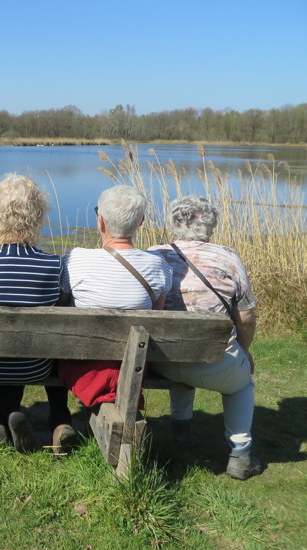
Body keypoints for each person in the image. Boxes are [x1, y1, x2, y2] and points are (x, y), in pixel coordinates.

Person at [148, 195, 261, 480]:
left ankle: (181, 428)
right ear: (211, 224)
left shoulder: (153, 254)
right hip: (215, 360)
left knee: (182, 351)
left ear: (174, 222)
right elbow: (246, 318)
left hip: (161, 359)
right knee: (240, 385)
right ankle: (240, 454)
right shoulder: (228, 256)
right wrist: (244, 352)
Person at [0, 173, 70, 452]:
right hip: (34, 365)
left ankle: (2, 413)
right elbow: (62, 310)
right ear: (38, 215)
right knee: (54, 345)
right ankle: (59, 418)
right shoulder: (54, 265)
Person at [58, 185, 171, 415]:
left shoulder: (76, 260)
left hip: (83, 363)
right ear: (141, 222)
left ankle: (59, 417)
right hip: (134, 364)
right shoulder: (158, 265)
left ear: (100, 222)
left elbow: (61, 306)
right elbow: (157, 317)